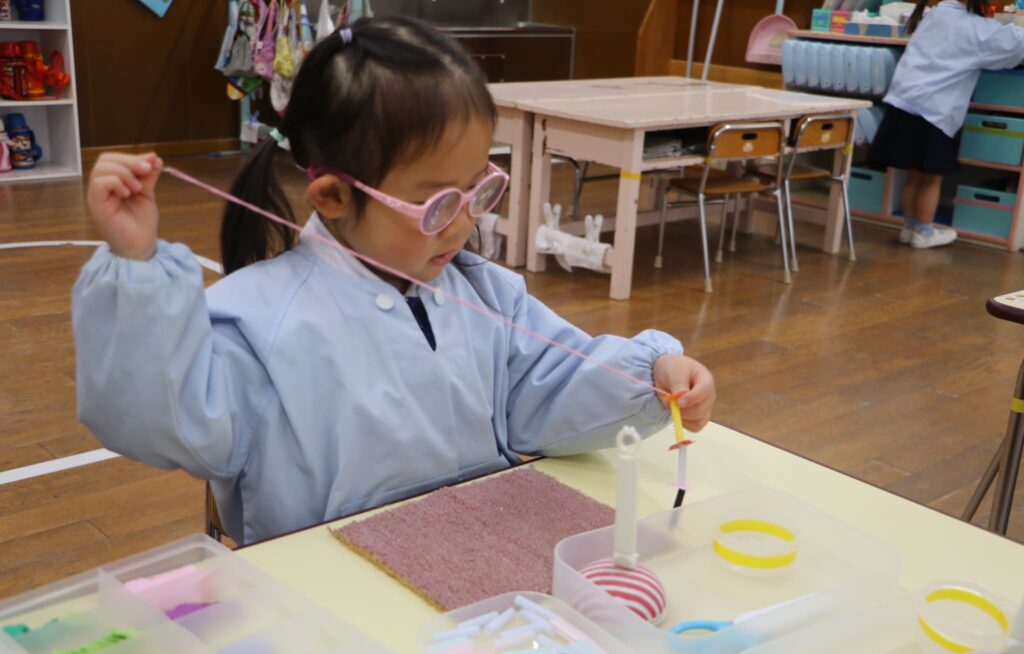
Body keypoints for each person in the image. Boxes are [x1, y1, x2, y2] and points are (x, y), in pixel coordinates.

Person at [73, 17, 715, 544]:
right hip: (331, 594)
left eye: (477, 190)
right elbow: (162, 420)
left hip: (482, 554)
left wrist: (647, 377)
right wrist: (136, 268)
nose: (463, 223)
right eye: (436, 204)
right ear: (331, 196)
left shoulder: (481, 291)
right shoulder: (257, 319)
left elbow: (551, 385)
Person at [869, 0, 1024, 248]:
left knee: (912, 173)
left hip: (905, 102)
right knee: (932, 177)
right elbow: (1016, 44)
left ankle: (908, 228)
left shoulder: (935, 15)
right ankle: (924, 232)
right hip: (935, 110)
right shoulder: (978, 28)